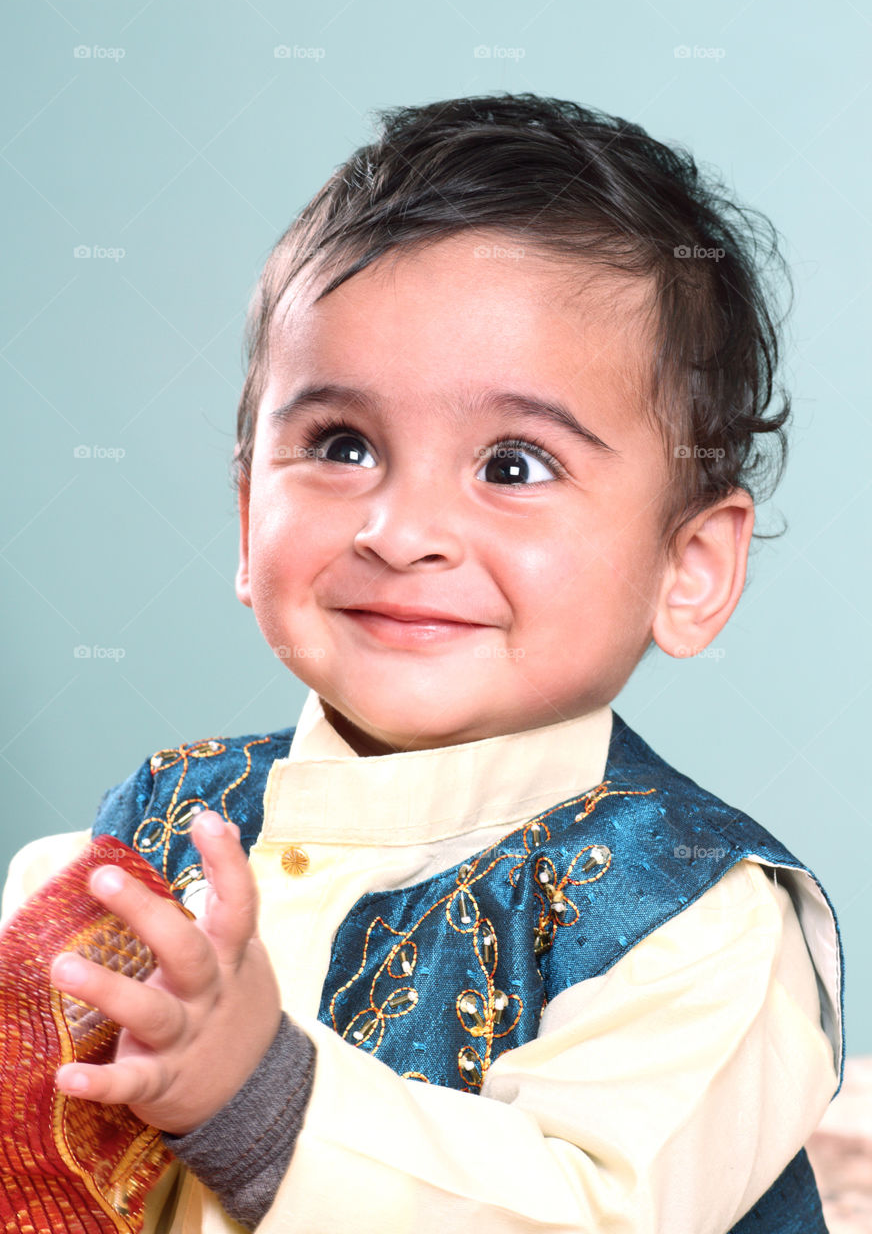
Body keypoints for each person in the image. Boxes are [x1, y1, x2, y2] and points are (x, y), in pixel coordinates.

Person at [1, 93, 844, 1234]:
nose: (400, 529)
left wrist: (259, 1101)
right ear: (250, 515)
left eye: (512, 463)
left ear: (685, 566)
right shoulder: (160, 824)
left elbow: (583, 1212)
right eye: (341, 445)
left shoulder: (699, 919)